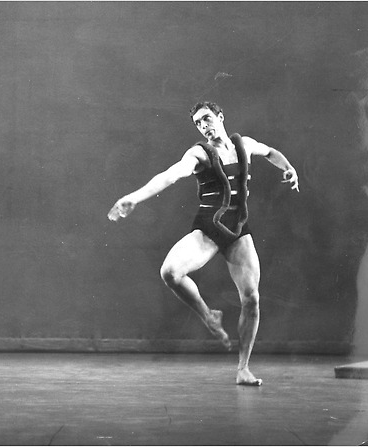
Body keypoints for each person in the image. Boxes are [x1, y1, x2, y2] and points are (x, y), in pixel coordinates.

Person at [108, 101, 299, 386]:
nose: (204, 126)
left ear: (220, 116)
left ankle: (243, 369)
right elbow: (171, 175)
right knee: (170, 272)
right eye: (198, 123)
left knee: (252, 299)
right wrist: (135, 197)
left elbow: (270, 151)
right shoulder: (198, 153)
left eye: (207, 119)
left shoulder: (243, 145)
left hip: (238, 231)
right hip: (209, 229)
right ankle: (208, 314)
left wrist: (289, 168)